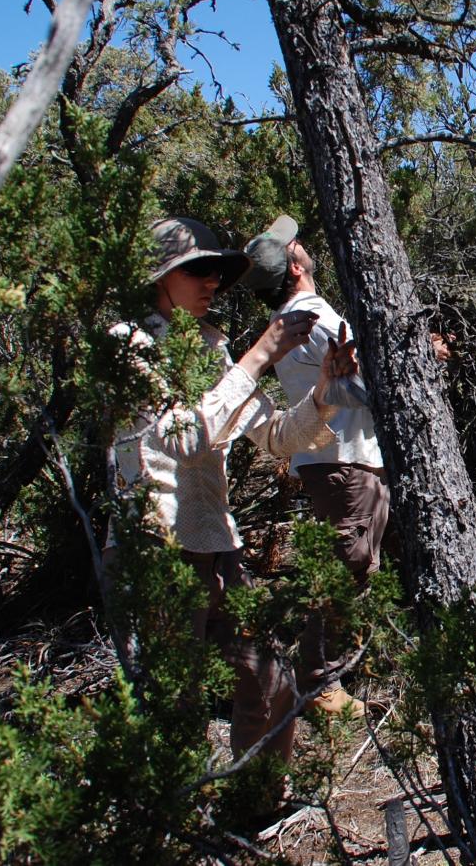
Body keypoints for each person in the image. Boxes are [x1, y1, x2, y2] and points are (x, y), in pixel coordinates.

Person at [108, 216, 357, 762]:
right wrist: (259, 356)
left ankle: (261, 799)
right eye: (197, 270)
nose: (211, 283)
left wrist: (327, 389)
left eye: (217, 273)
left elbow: (277, 436)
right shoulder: (129, 345)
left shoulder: (211, 350)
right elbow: (184, 438)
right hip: (156, 548)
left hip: (218, 547)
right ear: (160, 276)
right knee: (173, 708)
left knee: (272, 686)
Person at [242, 216, 384, 716]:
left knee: (356, 564)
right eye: (295, 244)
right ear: (295, 267)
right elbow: (365, 382)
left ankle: (344, 664)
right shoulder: (313, 316)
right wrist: (422, 359)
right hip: (343, 461)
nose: (301, 244)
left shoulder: (292, 320)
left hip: (333, 460)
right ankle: (321, 684)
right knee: (348, 568)